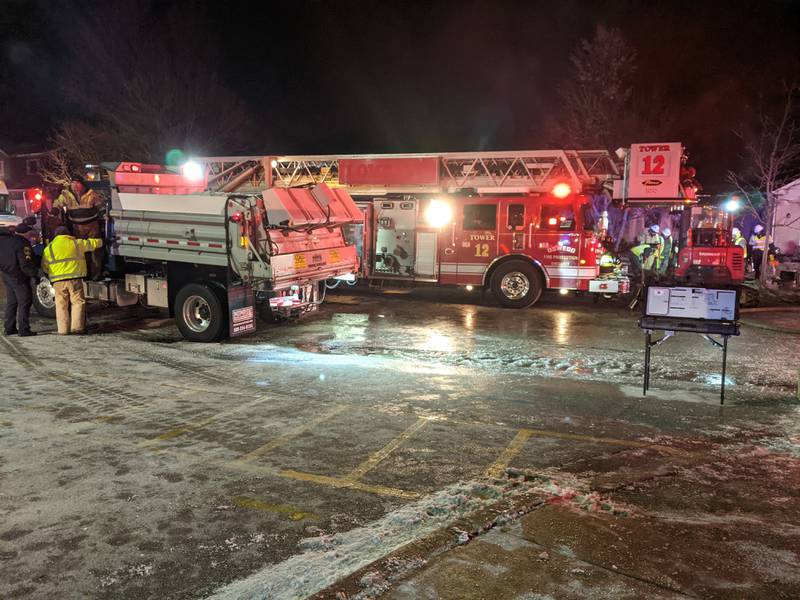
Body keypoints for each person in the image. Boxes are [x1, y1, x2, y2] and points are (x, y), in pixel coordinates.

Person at [41, 226, 103, 335]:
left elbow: (45, 266)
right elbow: (91, 244)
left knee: (61, 306)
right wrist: (101, 241)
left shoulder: (49, 248)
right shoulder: (76, 243)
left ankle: (63, 330)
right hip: (74, 279)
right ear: (68, 234)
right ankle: (77, 328)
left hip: (57, 281)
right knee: (78, 303)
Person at [53, 175, 105, 279]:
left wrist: (104, 215)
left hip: (92, 227)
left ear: (82, 184)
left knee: (95, 251)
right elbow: (57, 204)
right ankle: (84, 274)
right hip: (76, 228)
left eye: (77, 183)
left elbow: (101, 207)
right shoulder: (66, 195)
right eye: (73, 183)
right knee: (81, 252)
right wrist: (54, 210)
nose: (74, 186)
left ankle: (96, 275)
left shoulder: (91, 194)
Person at [0, 224, 39, 336]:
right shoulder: (22, 243)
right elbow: (25, 264)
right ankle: (24, 329)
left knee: (12, 302)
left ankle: (9, 328)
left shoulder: (6, 241)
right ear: (26, 233)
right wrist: (35, 274)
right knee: (25, 301)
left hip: (6, 274)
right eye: (30, 234)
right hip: (19, 276)